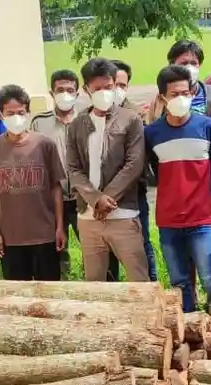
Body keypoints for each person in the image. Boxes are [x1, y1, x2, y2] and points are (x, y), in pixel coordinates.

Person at [146, 65, 211, 329]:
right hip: (169, 221)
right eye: (174, 94)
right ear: (162, 97)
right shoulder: (152, 133)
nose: (181, 98)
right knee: (179, 282)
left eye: (186, 92)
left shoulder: (207, 127)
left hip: (201, 220)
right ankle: (190, 331)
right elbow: (154, 170)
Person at [65, 58, 151, 282]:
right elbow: (73, 168)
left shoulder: (131, 120)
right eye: (97, 89)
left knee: (138, 278)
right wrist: (95, 199)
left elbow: (134, 164)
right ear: (86, 89)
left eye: (108, 87)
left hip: (123, 214)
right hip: (88, 217)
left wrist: (107, 198)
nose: (104, 92)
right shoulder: (77, 125)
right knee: (95, 283)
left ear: (115, 84)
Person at [0, 86, 66, 281]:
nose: (16, 117)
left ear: (28, 113)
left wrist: (59, 227)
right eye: (10, 113)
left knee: (49, 290)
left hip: (44, 234)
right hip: (11, 237)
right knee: (18, 294)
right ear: (1, 115)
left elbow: (55, 187)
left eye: (21, 113)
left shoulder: (45, 145)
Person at [33, 69, 108, 278]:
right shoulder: (40, 123)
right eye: (60, 90)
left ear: (77, 93)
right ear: (51, 92)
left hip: (83, 197)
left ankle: (97, 285)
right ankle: (63, 285)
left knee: (93, 248)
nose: (65, 94)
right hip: (52, 197)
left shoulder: (89, 120)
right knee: (55, 249)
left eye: (70, 90)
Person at [114, 59, 159, 280]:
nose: (117, 90)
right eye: (114, 84)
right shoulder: (88, 117)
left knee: (141, 243)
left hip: (133, 192)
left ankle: (150, 288)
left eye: (123, 85)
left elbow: (138, 159)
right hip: (101, 198)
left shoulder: (136, 116)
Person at [145, 40, 211, 146]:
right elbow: (152, 131)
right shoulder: (160, 100)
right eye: (184, 63)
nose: (189, 68)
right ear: (172, 66)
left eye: (194, 63)